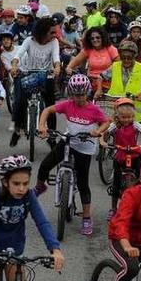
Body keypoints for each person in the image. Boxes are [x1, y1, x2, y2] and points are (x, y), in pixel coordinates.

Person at [36, 74, 109, 236]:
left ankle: (87, 217)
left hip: (85, 147)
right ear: (71, 94)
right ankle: (40, 187)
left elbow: (106, 122)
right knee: (45, 165)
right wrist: (42, 125)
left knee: (83, 183)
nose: (79, 98)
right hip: (68, 141)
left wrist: (98, 131)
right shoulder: (68, 105)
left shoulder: (93, 109)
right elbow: (48, 110)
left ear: (88, 92)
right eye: (76, 95)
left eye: (82, 94)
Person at [10, 16, 61, 146]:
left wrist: (57, 68)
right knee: (20, 102)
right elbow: (18, 55)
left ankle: (52, 135)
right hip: (29, 74)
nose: (55, 35)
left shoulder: (54, 42)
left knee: (50, 106)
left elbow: (56, 57)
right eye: (52, 32)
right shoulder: (29, 41)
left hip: (46, 76)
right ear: (43, 31)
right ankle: (17, 130)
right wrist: (14, 65)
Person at [102, 98, 141, 217]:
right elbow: (105, 133)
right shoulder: (115, 126)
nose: (127, 120)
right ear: (118, 116)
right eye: (124, 117)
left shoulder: (135, 125)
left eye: (130, 117)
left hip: (135, 153)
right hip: (121, 154)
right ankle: (113, 208)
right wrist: (103, 141)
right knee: (116, 182)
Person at [95, 41, 141, 123]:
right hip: (115, 105)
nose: (126, 60)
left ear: (134, 56)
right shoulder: (115, 66)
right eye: (123, 57)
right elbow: (100, 77)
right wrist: (99, 89)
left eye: (129, 58)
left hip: (134, 109)